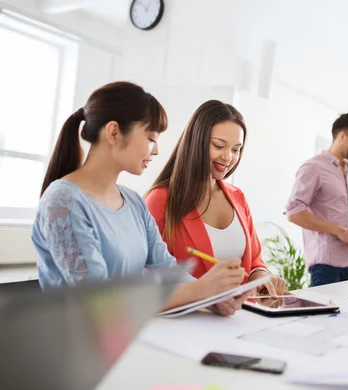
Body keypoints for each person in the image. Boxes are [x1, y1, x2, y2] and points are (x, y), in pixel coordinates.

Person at [32, 82, 253, 316]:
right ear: (114, 132)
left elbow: (166, 270)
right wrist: (200, 290)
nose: (156, 150)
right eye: (150, 138)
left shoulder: (133, 202)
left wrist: (213, 297)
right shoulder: (62, 202)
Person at [145, 100, 286, 298]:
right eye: (219, 146)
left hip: (239, 318)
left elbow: (254, 260)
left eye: (236, 149)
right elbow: (147, 273)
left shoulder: (238, 198)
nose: (228, 157)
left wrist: (261, 277)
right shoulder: (161, 200)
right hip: (189, 322)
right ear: (196, 141)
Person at [284, 113, 348, 287]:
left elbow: (332, 213)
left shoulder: (346, 171)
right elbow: (293, 212)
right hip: (325, 266)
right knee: (324, 314)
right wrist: (339, 231)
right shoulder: (313, 168)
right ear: (342, 136)